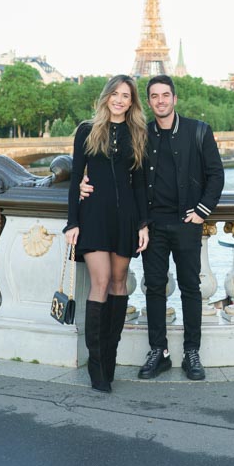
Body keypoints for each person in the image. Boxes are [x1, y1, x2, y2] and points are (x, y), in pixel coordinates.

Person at [81, 74, 224, 381]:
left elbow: (216, 175)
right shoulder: (139, 134)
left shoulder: (198, 131)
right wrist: (80, 181)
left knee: (190, 288)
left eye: (165, 95)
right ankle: (158, 351)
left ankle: (191, 352)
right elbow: (120, 172)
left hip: (187, 222)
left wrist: (201, 211)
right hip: (152, 225)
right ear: (148, 102)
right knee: (154, 289)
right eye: (155, 96)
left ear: (175, 99)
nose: (161, 101)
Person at [64, 75, 149, 394]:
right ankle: (96, 364)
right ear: (106, 97)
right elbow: (75, 177)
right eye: (115, 93)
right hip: (95, 216)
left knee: (118, 282)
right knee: (100, 282)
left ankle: (110, 359)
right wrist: (72, 223)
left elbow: (139, 183)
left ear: (132, 102)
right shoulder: (87, 130)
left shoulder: (137, 133)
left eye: (126, 96)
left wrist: (143, 224)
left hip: (125, 217)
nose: (120, 99)